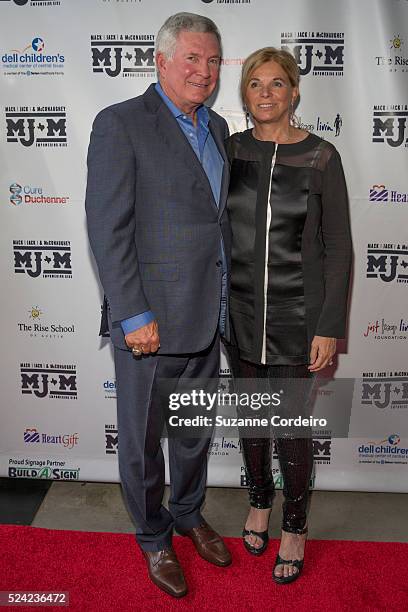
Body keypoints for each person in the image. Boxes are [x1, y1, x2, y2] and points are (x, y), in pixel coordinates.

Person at [85, 13, 232, 599]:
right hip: (149, 321)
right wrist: (131, 312)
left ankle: (189, 514)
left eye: (214, 60)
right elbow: (107, 226)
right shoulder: (120, 123)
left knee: (193, 432)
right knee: (144, 442)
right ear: (162, 61)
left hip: (208, 315)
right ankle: (153, 537)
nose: (204, 71)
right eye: (193, 58)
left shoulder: (218, 126)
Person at [224, 47, 352, 584]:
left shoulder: (322, 156)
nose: (267, 94)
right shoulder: (229, 150)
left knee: (292, 427)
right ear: (245, 93)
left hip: (299, 318)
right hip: (240, 312)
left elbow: (339, 247)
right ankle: (259, 504)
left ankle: (295, 527)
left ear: (295, 92)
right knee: (253, 419)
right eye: (256, 84)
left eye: (277, 84)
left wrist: (328, 326)